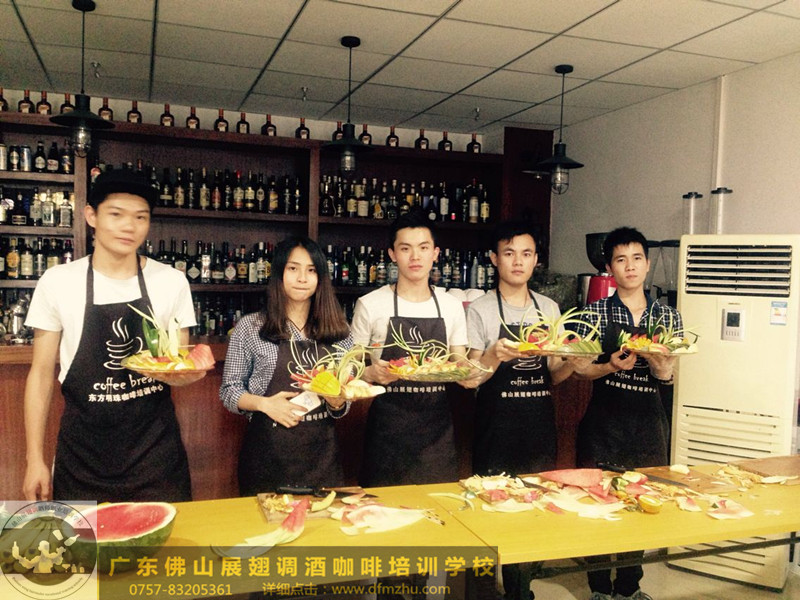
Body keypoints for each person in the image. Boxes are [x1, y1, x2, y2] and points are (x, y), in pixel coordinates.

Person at [23, 169, 197, 502]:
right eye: (116, 214)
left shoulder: (171, 282)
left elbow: (179, 361)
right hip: (82, 459)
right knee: (82, 539)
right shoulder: (58, 281)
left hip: (156, 458)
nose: (129, 226)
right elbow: (41, 374)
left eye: (140, 217)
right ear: (91, 216)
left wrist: (186, 374)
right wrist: (34, 459)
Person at [463, 220, 582, 600]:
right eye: (509, 253)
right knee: (490, 510)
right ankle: (483, 591)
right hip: (496, 427)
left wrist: (574, 363)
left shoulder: (549, 308)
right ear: (494, 259)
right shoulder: (480, 309)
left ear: (535, 261)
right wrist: (493, 355)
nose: (518, 262)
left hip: (538, 426)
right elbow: (471, 378)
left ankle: (520, 590)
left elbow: (553, 374)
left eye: (526, 254)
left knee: (533, 511)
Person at [572, 227, 681, 600]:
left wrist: (659, 365)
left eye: (637, 258)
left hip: (649, 425)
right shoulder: (594, 313)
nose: (630, 266)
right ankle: (599, 588)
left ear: (647, 265)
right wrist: (610, 366)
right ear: (610, 268)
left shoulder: (667, 316)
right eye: (621, 260)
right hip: (603, 424)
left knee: (640, 505)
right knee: (598, 505)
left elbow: (668, 376)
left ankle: (629, 587)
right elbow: (580, 371)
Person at [220, 235, 352, 496]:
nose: (302, 278)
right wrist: (264, 404)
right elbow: (229, 391)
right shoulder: (251, 327)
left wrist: (338, 403)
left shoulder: (339, 330)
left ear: (320, 278)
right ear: (279, 273)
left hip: (322, 457)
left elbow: (343, 401)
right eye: (293, 268)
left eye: (311, 270)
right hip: (267, 455)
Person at [351, 211, 470, 487]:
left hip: (437, 433)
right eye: (405, 249)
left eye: (423, 248)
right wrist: (370, 373)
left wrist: (476, 367)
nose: (415, 257)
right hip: (387, 432)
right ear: (393, 254)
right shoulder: (370, 304)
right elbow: (351, 367)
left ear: (435, 253)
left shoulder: (451, 305)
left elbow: (460, 363)